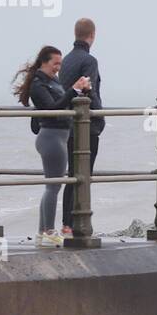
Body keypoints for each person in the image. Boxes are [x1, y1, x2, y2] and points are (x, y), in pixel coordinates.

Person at [12, 46, 91, 247]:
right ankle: (48, 231)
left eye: (60, 63)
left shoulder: (52, 81)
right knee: (53, 186)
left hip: (59, 137)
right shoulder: (39, 84)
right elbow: (52, 110)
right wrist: (73, 89)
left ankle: (42, 232)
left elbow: (63, 103)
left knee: (52, 186)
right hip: (51, 137)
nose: (58, 67)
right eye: (55, 63)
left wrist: (80, 91)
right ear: (44, 62)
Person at [58, 17, 104, 234]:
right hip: (86, 127)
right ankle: (80, 223)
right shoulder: (89, 61)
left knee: (73, 175)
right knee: (84, 175)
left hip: (68, 125)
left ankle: (67, 222)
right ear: (92, 36)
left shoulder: (65, 61)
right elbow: (89, 91)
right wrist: (99, 116)